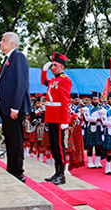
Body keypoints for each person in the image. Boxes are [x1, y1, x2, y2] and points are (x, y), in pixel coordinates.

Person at [0, 32, 31, 183]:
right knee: (9, 141)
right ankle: (11, 169)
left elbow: (21, 84)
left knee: (15, 141)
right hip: (5, 108)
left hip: (13, 109)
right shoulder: (8, 59)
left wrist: (15, 107)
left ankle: (18, 173)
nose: (0, 43)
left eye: (3, 40)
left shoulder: (18, 57)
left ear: (12, 43)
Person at [40, 52, 72, 185]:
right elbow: (44, 82)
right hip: (51, 116)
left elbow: (65, 102)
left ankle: (61, 175)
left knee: (59, 147)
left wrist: (65, 121)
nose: (52, 66)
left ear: (62, 66)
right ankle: (56, 172)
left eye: (54, 64)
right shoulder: (53, 80)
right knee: (53, 146)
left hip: (59, 117)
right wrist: (44, 71)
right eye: (52, 64)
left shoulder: (65, 80)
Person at [83, 92, 105, 168]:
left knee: (99, 146)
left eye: (97, 99)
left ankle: (97, 161)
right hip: (91, 127)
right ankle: (90, 162)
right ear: (91, 99)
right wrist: (98, 119)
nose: (96, 101)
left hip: (99, 128)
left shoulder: (101, 108)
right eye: (94, 99)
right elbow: (87, 118)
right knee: (90, 146)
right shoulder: (86, 109)